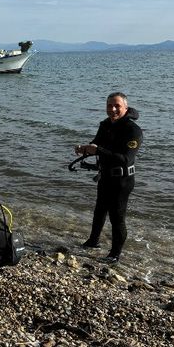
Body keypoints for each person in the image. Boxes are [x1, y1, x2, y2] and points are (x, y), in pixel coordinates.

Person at [74, 92, 142, 263]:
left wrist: (98, 150)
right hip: (105, 176)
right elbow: (97, 143)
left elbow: (126, 159)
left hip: (122, 180)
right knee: (99, 210)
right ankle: (92, 241)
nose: (112, 109)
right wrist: (84, 149)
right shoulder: (105, 125)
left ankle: (114, 255)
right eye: (109, 105)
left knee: (116, 217)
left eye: (117, 106)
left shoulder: (133, 130)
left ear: (125, 107)